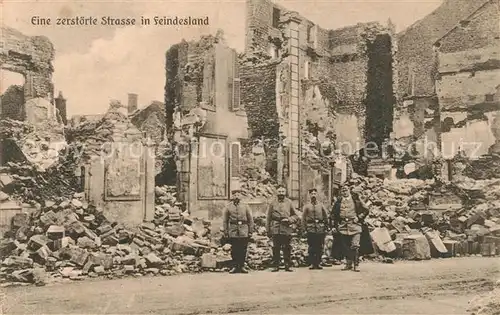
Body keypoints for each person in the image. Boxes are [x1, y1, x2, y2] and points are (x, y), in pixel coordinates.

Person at [331, 185, 370, 272]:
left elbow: (366, 210)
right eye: (343, 191)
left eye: (346, 190)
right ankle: (348, 264)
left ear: (349, 191)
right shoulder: (338, 202)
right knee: (345, 246)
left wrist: (359, 218)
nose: (344, 192)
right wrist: (334, 225)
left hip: (355, 226)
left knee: (355, 245)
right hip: (343, 226)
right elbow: (333, 215)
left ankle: (356, 264)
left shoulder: (356, 200)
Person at [266, 185, 299, 272]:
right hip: (276, 228)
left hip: (286, 228)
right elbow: (268, 217)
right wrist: (268, 230)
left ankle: (287, 265)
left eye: (283, 192)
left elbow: (295, 216)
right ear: (277, 192)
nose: (281, 193)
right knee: (276, 247)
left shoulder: (289, 202)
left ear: (285, 192)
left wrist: (289, 219)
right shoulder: (272, 203)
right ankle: (276, 265)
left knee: (287, 247)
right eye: (279, 192)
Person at [222, 189, 254, 274]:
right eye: (235, 195)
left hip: (244, 230)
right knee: (234, 249)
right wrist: (226, 231)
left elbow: (250, 219)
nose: (236, 196)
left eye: (238, 195)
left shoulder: (245, 206)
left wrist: (250, 231)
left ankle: (242, 266)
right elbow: (225, 220)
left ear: (241, 196)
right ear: (232, 196)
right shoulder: (228, 207)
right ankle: (235, 266)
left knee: (243, 249)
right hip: (233, 230)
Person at [302, 188, 330, 270]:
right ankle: (312, 263)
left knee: (319, 246)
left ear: (317, 195)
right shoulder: (306, 206)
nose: (313, 195)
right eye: (312, 194)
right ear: (309, 195)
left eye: (315, 193)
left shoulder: (321, 205)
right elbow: (303, 219)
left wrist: (326, 227)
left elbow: (326, 216)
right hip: (310, 229)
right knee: (311, 247)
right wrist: (304, 229)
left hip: (320, 228)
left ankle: (318, 263)